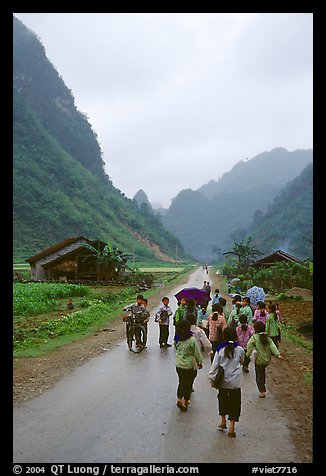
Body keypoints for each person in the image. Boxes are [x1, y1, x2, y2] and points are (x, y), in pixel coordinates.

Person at [209, 326, 245, 438]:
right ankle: (232, 428)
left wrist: (212, 379)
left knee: (223, 400)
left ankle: (223, 421)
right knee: (235, 403)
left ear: (224, 336)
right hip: (235, 382)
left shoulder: (220, 350)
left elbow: (214, 366)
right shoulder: (240, 350)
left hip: (223, 382)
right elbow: (242, 361)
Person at [246, 320, 283, 398]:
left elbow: (249, 347)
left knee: (259, 375)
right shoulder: (267, 337)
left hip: (259, 360)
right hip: (267, 360)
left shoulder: (255, 338)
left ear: (255, 329)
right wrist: (278, 355)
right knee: (262, 372)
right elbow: (273, 346)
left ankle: (262, 391)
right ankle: (263, 385)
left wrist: (246, 357)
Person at [174, 318, 203, 412]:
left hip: (179, 364)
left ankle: (179, 398)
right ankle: (186, 401)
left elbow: (176, 347)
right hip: (189, 365)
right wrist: (200, 362)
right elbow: (197, 352)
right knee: (188, 383)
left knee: (181, 381)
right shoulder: (191, 340)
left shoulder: (177, 338)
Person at [186, 313, 213, 391]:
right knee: (193, 372)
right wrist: (210, 351)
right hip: (194, 355)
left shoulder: (182, 330)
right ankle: (189, 386)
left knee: (184, 375)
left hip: (182, 355)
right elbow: (206, 344)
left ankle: (182, 391)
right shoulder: (199, 331)